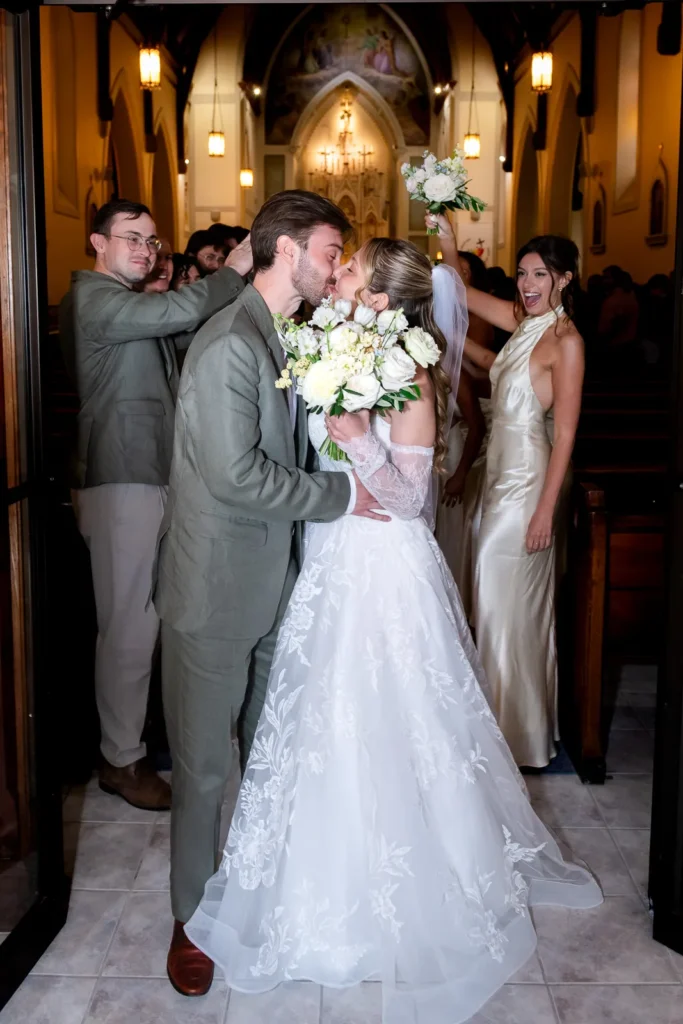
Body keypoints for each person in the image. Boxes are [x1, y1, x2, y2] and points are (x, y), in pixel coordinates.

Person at [184, 235, 602, 1023]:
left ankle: (400, 887)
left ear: (380, 292)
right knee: (321, 717)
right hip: (334, 555)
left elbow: (409, 501)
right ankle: (313, 873)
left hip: (382, 569)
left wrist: (354, 444)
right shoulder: (343, 343)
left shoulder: (407, 369)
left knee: (386, 718)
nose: (336, 274)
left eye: (348, 269)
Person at [154, 190, 385, 996]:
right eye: (329, 251)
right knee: (205, 768)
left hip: (270, 581)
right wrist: (343, 497)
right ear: (285, 250)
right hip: (214, 590)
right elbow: (236, 474)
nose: (335, 267)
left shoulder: (280, 333)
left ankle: (250, 896)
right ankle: (190, 919)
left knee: (267, 755)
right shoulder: (228, 346)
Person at [59, 199, 252, 810]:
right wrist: (236, 270)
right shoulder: (95, 297)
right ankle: (121, 760)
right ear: (97, 242)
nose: (147, 250)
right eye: (132, 239)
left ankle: (145, 742)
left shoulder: (130, 301)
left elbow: (182, 329)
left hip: (150, 477)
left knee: (154, 619)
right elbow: (183, 307)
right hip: (121, 479)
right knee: (128, 628)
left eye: (152, 241)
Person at [433, 214, 584, 769]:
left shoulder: (566, 342)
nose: (527, 283)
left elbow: (565, 433)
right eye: (523, 273)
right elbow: (461, 292)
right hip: (497, 480)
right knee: (494, 607)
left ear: (564, 279)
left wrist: (546, 508)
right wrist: (448, 242)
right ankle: (503, 732)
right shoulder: (523, 322)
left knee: (506, 610)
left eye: (540, 274)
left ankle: (513, 741)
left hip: (527, 486)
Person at [437, 248, 496, 614]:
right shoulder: (433, 361)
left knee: (457, 532)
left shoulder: (472, 326)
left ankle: (459, 602)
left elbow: (476, 417)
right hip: (440, 455)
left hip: (460, 448)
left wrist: (459, 474)